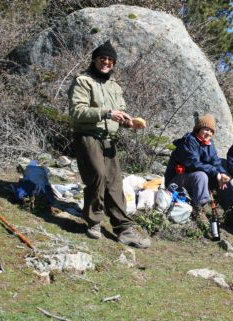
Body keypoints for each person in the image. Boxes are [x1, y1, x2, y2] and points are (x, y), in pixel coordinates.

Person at [68, 40, 151, 248]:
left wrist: (128, 123)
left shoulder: (115, 87)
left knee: (115, 182)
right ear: (95, 60)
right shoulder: (83, 81)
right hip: (88, 135)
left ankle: (124, 229)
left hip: (108, 140)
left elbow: (119, 113)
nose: (106, 62)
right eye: (103, 58)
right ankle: (93, 222)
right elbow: (77, 111)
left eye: (110, 60)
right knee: (97, 176)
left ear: (114, 64)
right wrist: (106, 113)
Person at [164, 114, 230, 224]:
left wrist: (222, 173)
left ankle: (229, 210)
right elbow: (193, 164)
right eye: (206, 129)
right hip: (175, 181)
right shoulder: (189, 141)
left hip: (192, 179)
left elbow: (216, 161)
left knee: (224, 179)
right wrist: (215, 172)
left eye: (211, 131)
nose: (208, 133)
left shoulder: (209, 143)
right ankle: (199, 210)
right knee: (201, 175)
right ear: (199, 129)